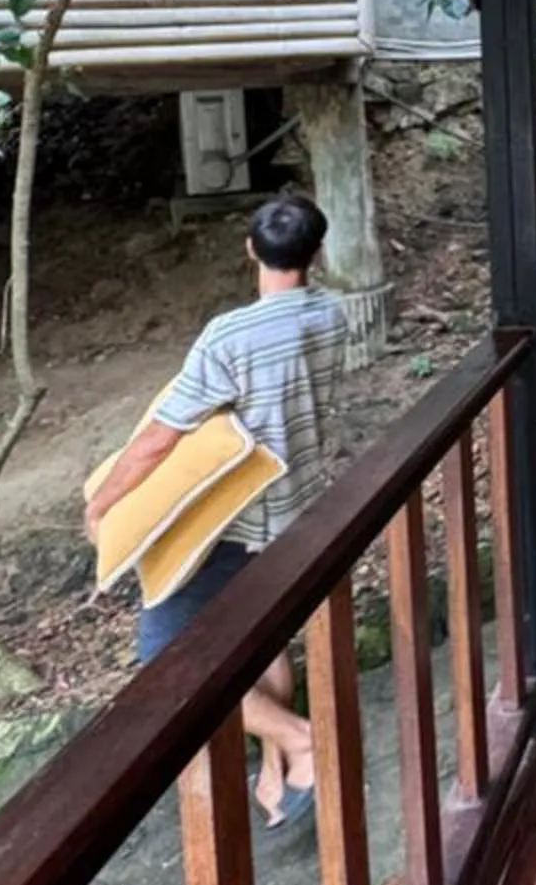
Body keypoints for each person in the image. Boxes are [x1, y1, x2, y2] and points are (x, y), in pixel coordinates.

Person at [86, 191, 348, 827]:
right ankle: (279, 767)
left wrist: (101, 502)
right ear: (316, 253)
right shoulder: (333, 315)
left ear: (250, 250)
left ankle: (301, 739)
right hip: (299, 506)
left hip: (234, 520)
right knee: (260, 638)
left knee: (166, 665)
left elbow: (159, 438)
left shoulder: (229, 335)